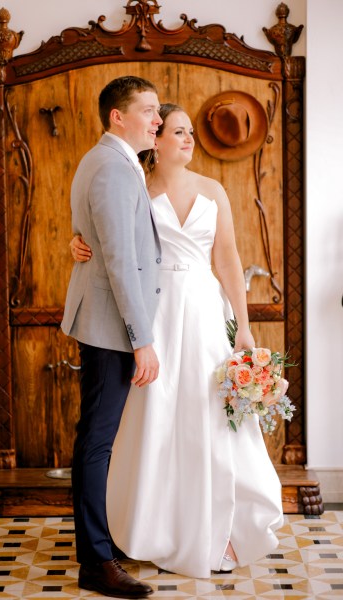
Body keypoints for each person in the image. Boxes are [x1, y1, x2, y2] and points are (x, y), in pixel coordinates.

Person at [71, 103, 284, 579]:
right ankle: (153, 530)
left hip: (207, 311)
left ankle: (222, 528)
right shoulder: (136, 188)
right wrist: (76, 242)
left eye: (191, 131)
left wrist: (244, 326)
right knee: (157, 418)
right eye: (178, 131)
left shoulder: (213, 190)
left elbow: (227, 260)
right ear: (157, 139)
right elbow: (109, 242)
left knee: (209, 415)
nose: (188, 139)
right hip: (157, 313)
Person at [61, 76, 163, 598]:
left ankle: (98, 546)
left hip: (107, 319)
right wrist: (141, 339)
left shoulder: (108, 162)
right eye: (147, 110)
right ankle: (95, 561)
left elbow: (98, 238)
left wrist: (77, 242)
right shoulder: (112, 168)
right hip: (110, 325)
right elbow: (121, 262)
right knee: (96, 442)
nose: (157, 119)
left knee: (97, 439)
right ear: (117, 116)